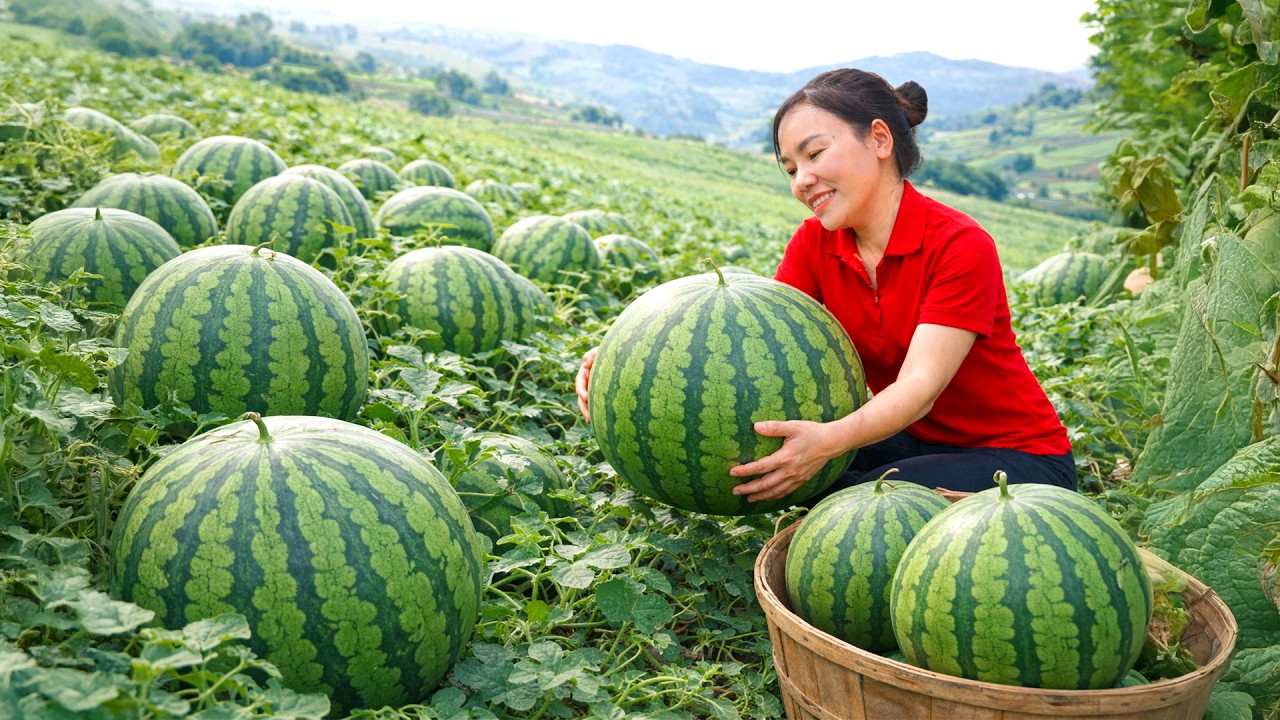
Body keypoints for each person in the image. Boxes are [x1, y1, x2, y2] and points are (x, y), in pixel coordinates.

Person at [576, 68, 1076, 506]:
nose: (802, 180)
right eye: (791, 169)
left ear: (880, 140)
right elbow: (758, 348)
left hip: (1018, 459)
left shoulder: (961, 245)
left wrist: (827, 443)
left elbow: (919, 389)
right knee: (778, 472)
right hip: (910, 437)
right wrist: (627, 362)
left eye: (814, 154)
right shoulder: (816, 243)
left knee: (859, 499)